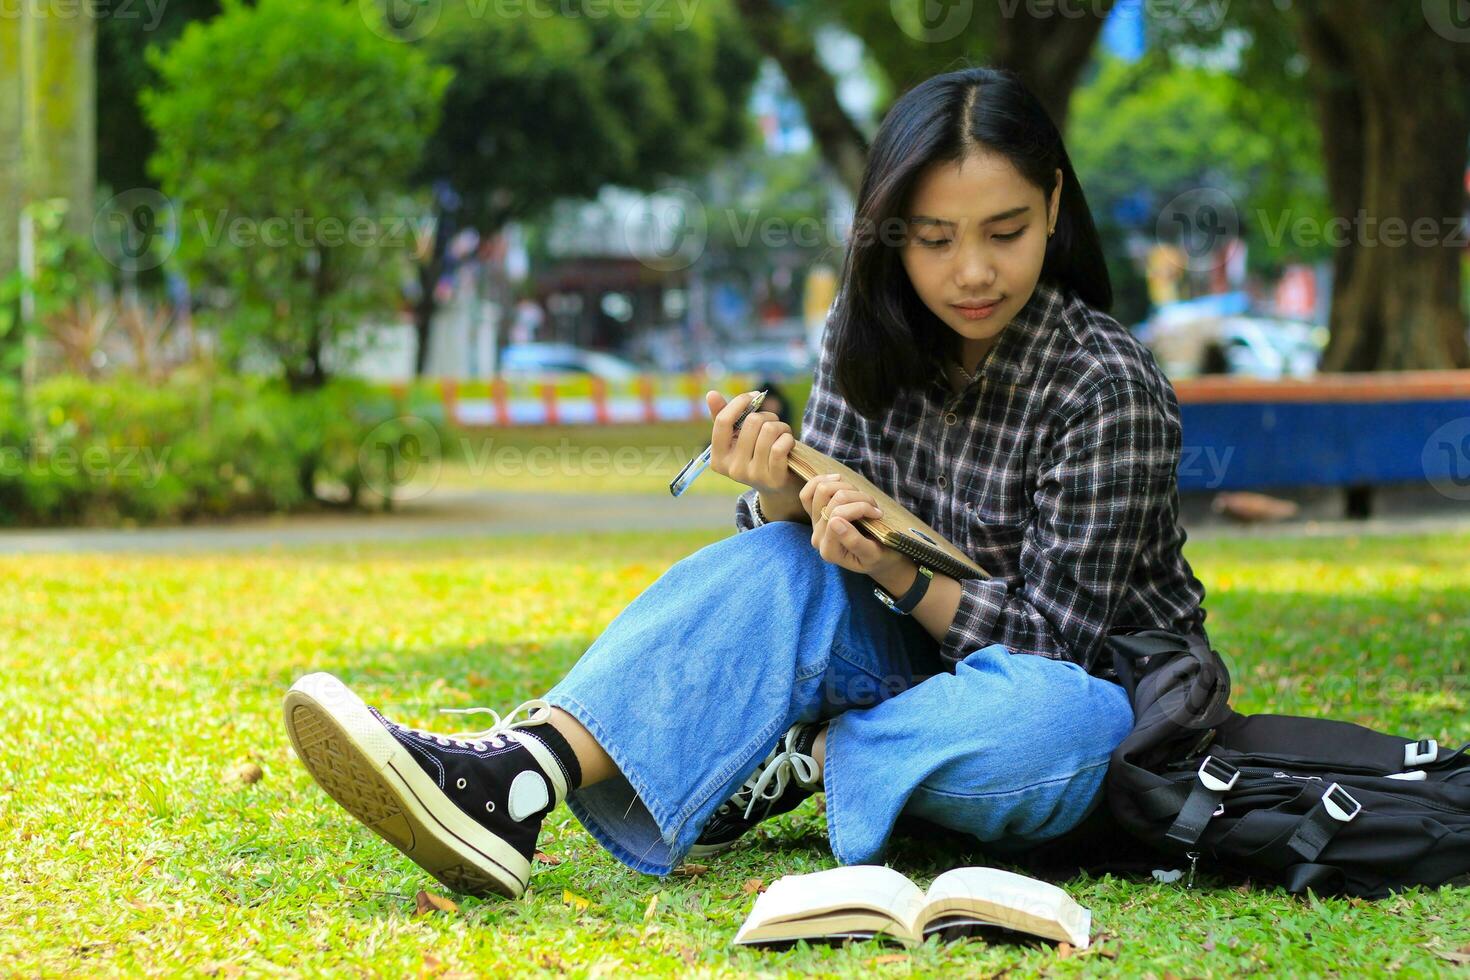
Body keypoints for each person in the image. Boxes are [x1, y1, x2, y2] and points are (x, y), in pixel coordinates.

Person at [282, 66, 1211, 900]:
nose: (972, 272)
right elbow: (802, 574)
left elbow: (1061, 644)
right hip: (905, 666)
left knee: (1054, 725)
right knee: (778, 559)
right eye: (934, 239)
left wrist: (900, 575)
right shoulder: (867, 330)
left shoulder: (1106, 385)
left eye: (1005, 232)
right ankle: (516, 777)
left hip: (1088, 701)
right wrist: (778, 492)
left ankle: (804, 756)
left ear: (1053, 205)